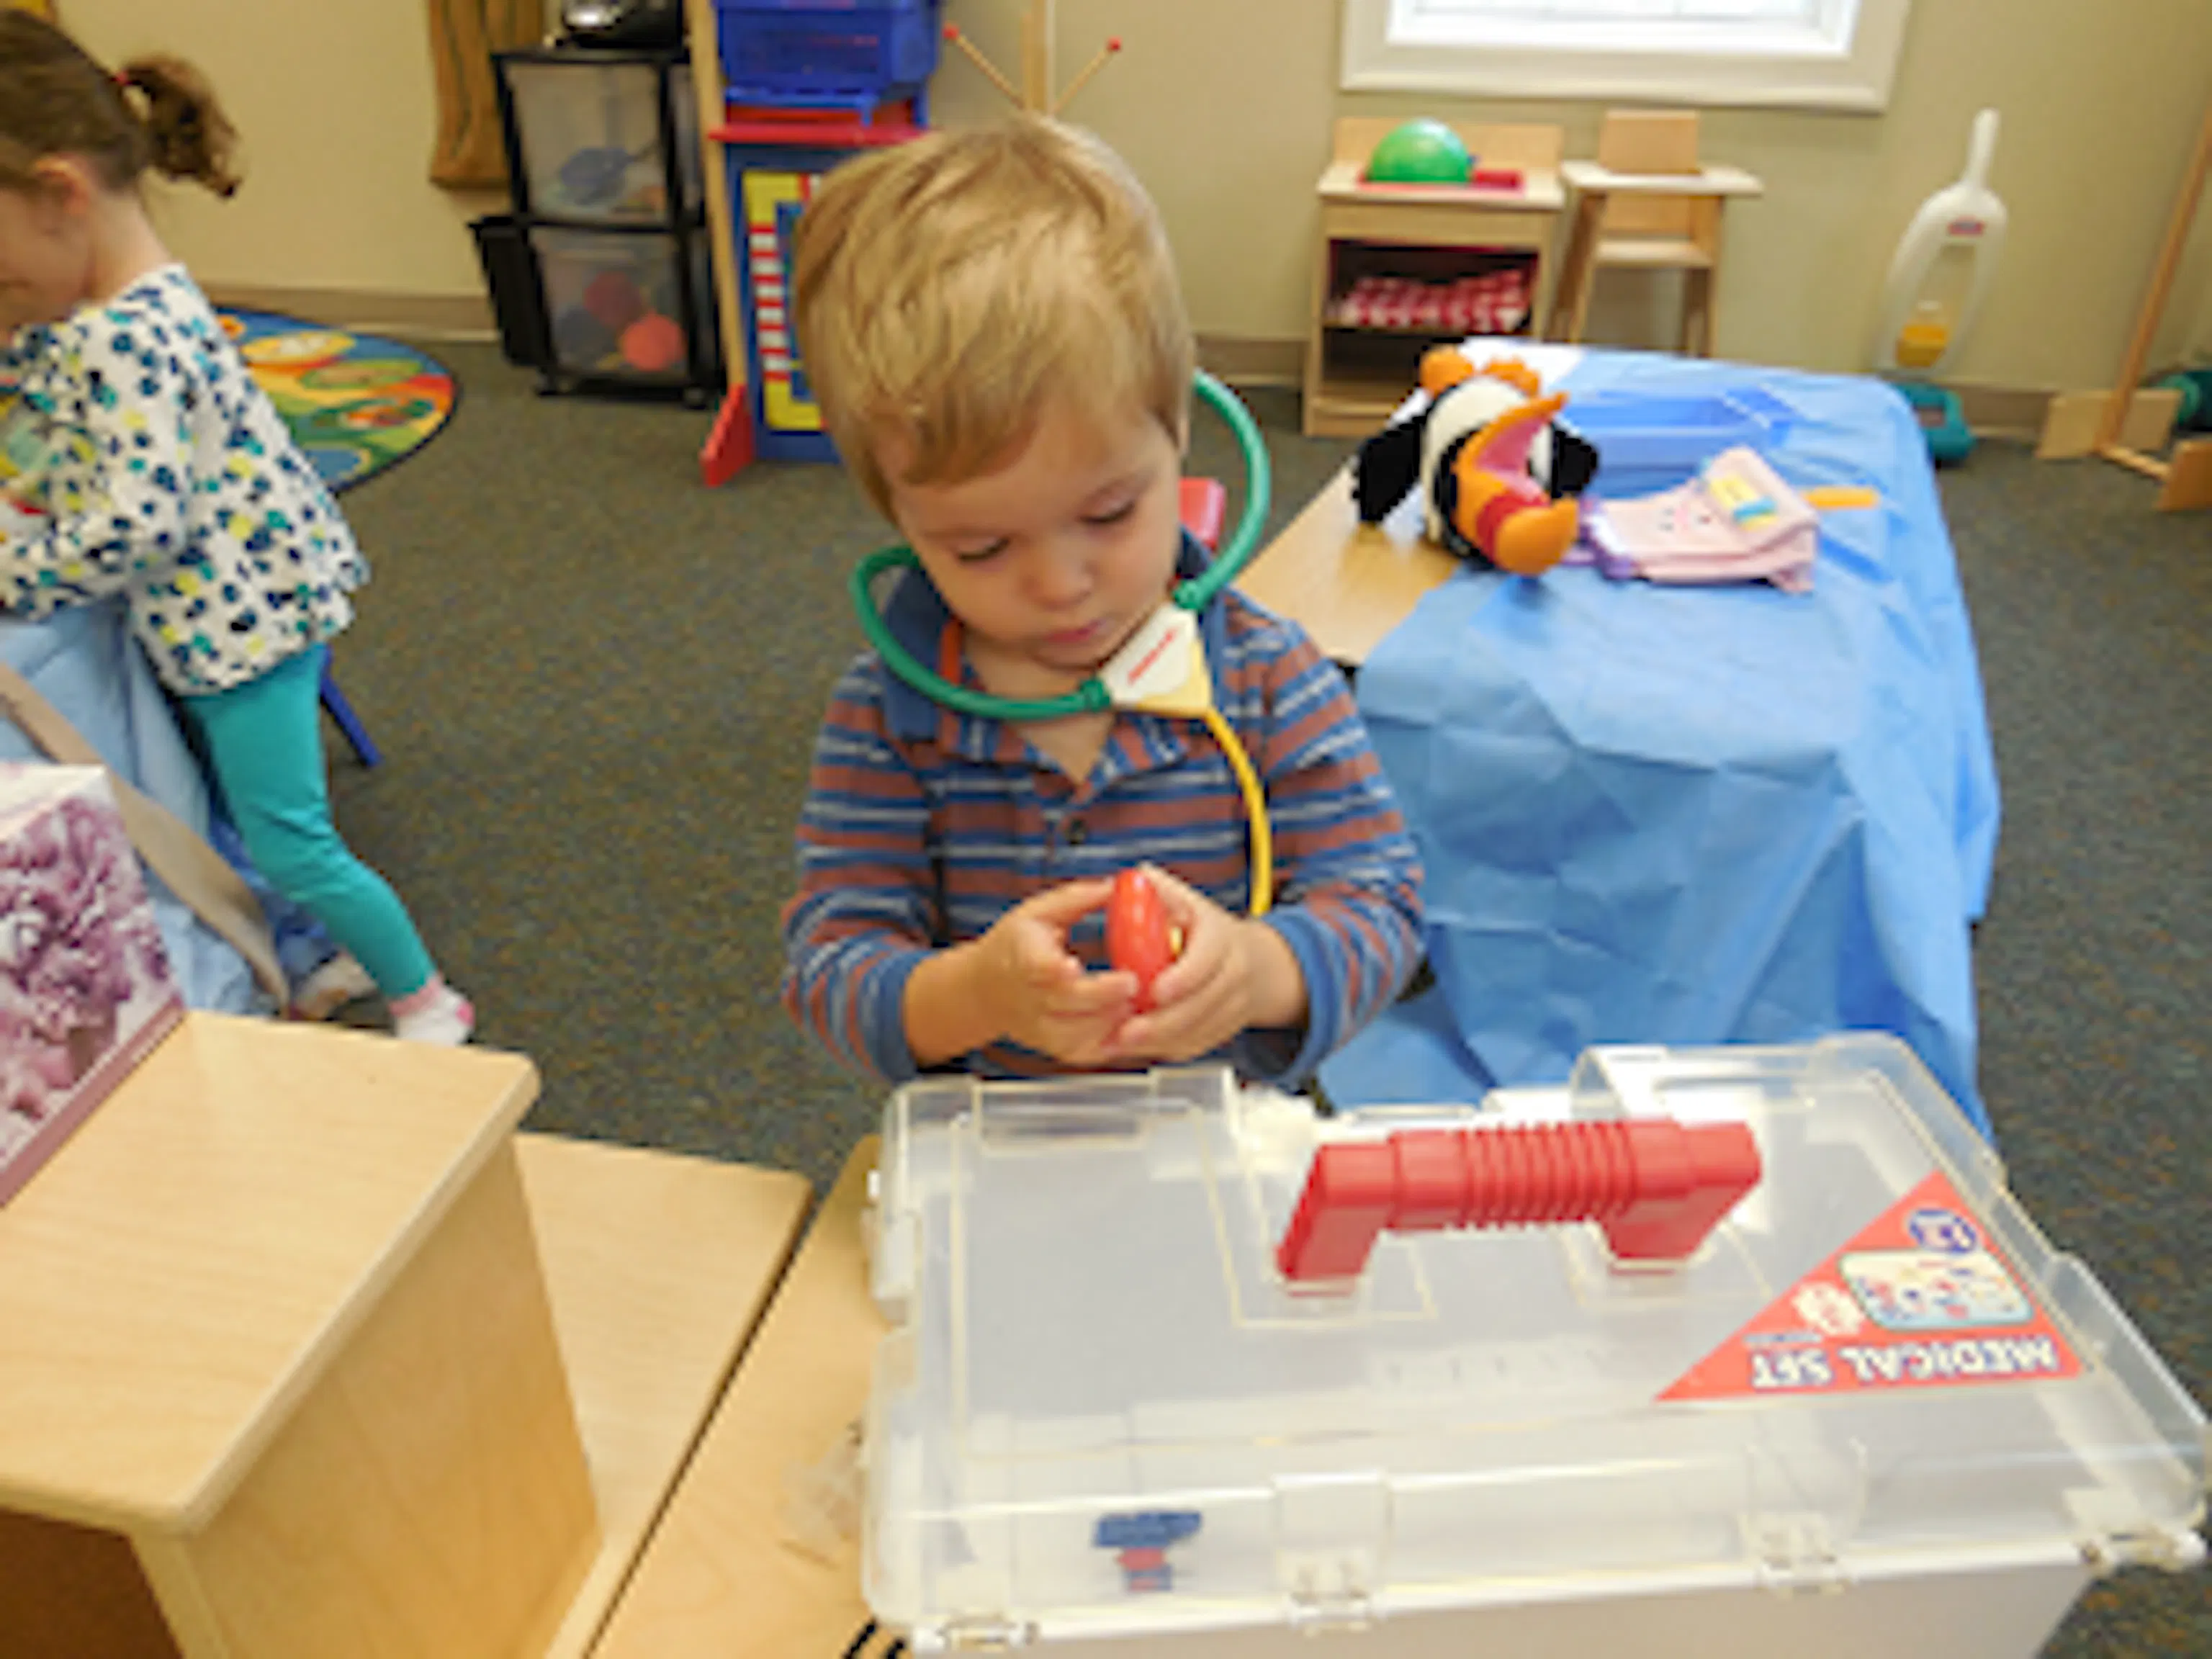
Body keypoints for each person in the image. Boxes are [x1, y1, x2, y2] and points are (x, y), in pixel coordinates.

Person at [781, 114, 1424, 1088]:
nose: (1060, 584)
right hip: (999, 1150)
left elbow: (1383, 905)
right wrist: (976, 995)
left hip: (1221, 1139)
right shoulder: (890, 719)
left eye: (1111, 512)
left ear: (1178, 435)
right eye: (981, 547)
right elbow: (830, 971)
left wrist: (1256, 972)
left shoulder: (1267, 675)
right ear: (900, 518)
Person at [0, 14, 471, 1043]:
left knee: (292, 842)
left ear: (60, 193)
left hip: (240, 639)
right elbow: (55, 379)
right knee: (249, 818)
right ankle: (325, 956)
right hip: (257, 609)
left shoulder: (120, 340)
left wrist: (14, 573)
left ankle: (426, 998)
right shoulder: (137, 301)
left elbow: (136, 528)